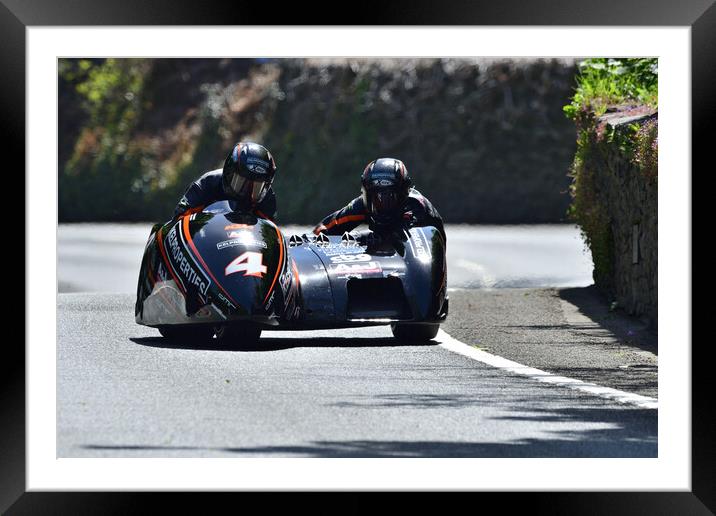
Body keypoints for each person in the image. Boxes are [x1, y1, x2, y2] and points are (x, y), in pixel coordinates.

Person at [312, 157, 445, 242]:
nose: (383, 204)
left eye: (390, 197)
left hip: (421, 253)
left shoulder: (417, 206)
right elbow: (324, 228)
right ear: (366, 195)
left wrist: (358, 237)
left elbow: (401, 236)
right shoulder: (361, 205)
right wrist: (317, 239)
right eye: (377, 197)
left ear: (403, 194)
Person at [173, 141, 278, 220]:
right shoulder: (207, 183)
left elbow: (270, 233)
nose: (247, 192)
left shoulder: (267, 197)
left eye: (257, 187)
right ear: (229, 173)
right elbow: (179, 219)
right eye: (241, 182)